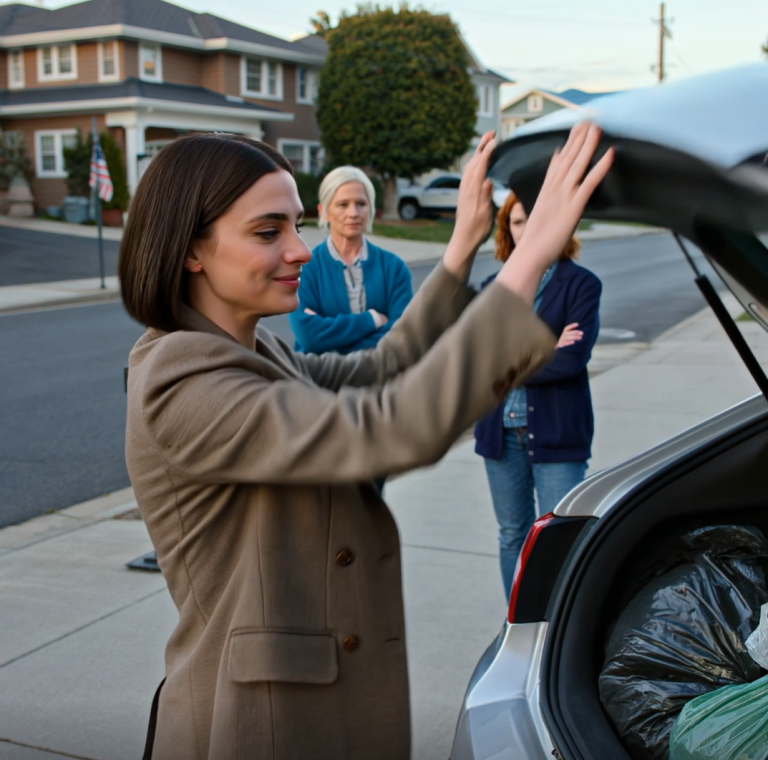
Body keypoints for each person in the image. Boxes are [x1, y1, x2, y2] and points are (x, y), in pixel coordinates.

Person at [118, 123, 612, 760]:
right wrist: (530, 258)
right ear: (192, 250)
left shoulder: (254, 348)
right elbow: (391, 424)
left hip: (301, 705)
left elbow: (381, 367)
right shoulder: (180, 376)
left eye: (298, 225)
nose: (300, 249)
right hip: (256, 724)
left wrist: (461, 247)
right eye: (269, 232)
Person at [475, 190, 603, 602]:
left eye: (534, 219)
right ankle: (520, 623)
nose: (526, 229)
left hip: (558, 431)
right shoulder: (493, 287)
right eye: (516, 221)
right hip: (500, 433)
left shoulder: (582, 285)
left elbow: (571, 361)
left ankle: (558, 631)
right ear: (506, 230)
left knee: (561, 537)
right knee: (512, 535)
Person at [289, 166, 413, 354]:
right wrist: (372, 320)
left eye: (361, 204)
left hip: (380, 378)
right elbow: (308, 337)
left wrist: (330, 338)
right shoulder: (304, 269)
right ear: (324, 211)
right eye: (343, 204)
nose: (353, 213)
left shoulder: (394, 269)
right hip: (319, 378)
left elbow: (402, 338)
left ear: (370, 209)